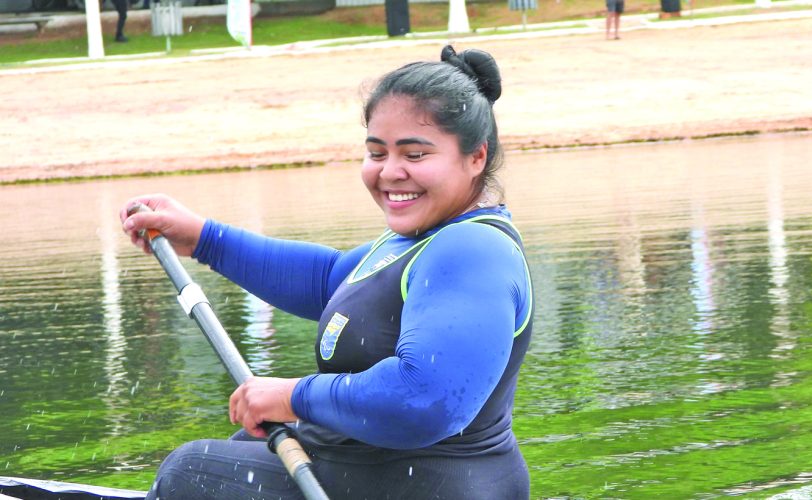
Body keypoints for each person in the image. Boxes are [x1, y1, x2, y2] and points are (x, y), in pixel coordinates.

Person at [119, 45, 533, 499]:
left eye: (414, 155)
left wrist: (293, 396)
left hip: (429, 485)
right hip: (370, 473)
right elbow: (328, 279)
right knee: (240, 446)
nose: (390, 172)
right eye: (377, 153)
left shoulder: (474, 249)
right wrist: (203, 238)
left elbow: (423, 398)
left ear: (476, 157)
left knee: (191, 472)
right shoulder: (419, 240)